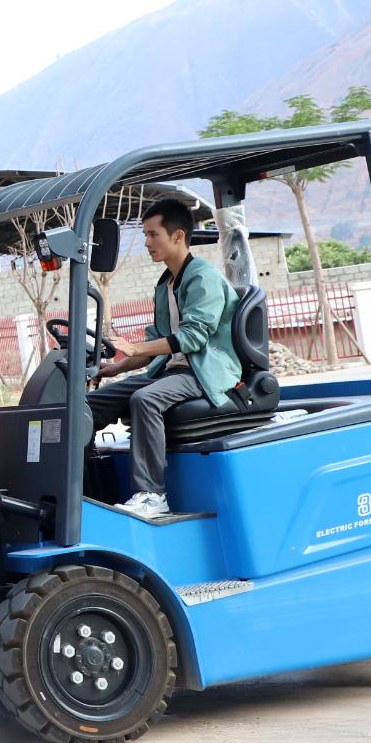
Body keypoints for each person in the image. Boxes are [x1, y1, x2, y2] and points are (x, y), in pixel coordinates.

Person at [89, 197, 242, 518]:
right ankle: (85, 480)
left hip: (203, 372)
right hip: (172, 371)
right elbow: (155, 343)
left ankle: (152, 496)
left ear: (177, 236)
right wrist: (115, 367)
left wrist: (136, 349)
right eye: (145, 235)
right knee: (91, 404)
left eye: (152, 234)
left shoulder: (202, 277)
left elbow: (192, 339)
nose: (146, 242)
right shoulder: (166, 284)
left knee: (145, 399)